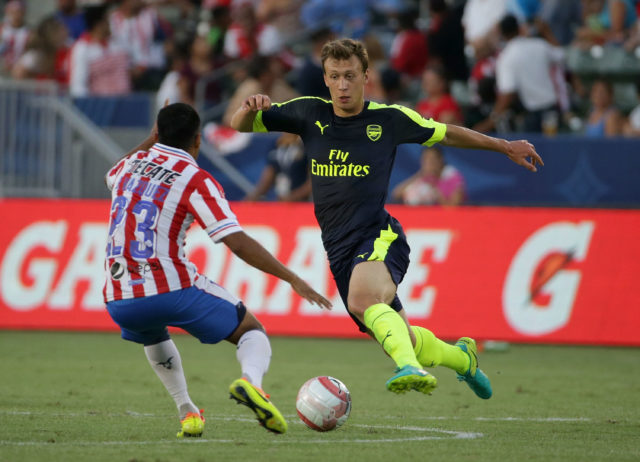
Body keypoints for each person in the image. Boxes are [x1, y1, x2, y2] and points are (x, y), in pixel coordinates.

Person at [230, 38, 543, 399]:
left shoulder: (389, 119)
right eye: (335, 76)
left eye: (350, 75)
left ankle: (409, 368)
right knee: (401, 337)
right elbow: (242, 125)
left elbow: (447, 133)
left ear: (366, 76)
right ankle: (462, 358)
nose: (343, 85)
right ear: (326, 79)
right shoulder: (308, 113)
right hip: (339, 248)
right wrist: (248, 107)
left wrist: (504, 146)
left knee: (363, 302)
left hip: (379, 237)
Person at [103, 102, 331, 438]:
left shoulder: (130, 164)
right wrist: (291, 277)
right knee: (251, 331)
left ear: (157, 133)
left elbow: (111, 174)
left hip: (118, 298)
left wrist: (152, 139)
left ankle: (187, 411)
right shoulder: (196, 179)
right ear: (198, 140)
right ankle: (252, 384)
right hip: (169, 288)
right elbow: (235, 241)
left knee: (152, 331)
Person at [245, 132, 311, 201]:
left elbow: (314, 181)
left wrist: (293, 197)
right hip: (281, 200)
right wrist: (254, 196)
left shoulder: (307, 146)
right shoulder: (276, 145)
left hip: (302, 202)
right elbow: (269, 174)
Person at [391, 146, 466, 206]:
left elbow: (453, 207)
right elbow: (396, 194)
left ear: (441, 159)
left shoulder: (453, 176)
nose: (428, 163)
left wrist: (435, 189)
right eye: (425, 159)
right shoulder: (423, 176)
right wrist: (420, 174)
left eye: (432, 159)